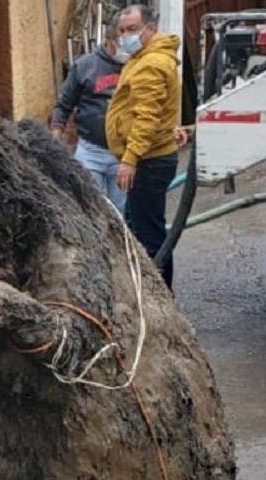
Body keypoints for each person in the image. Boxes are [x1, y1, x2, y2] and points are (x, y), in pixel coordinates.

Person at [106, 3, 182, 289]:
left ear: (151, 28)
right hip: (151, 157)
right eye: (122, 31)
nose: (126, 36)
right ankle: (152, 295)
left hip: (148, 161)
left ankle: (161, 299)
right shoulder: (144, 56)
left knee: (148, 236)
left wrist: (130, 158)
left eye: (133, 30)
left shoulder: (151, 62)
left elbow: (146, 117)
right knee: (138, 228)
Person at [51, 17, 128, 212]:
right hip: (91, 152)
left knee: (121, 210)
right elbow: (64, 105)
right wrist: (55, 142)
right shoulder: (86, 65)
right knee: (92, 208)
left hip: (125, 154)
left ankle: (122, 242)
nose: (125, 48)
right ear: (109, 39)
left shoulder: (137, 66)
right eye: (120, 42)